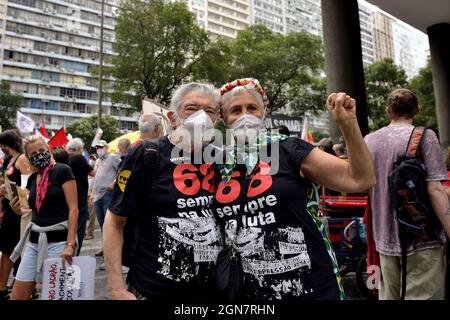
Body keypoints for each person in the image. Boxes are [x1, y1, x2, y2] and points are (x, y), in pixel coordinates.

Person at [214, 78, 376, 300]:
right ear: (224, 118)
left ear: (263, 113)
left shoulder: (290, 148)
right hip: (252, 294)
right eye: (235, 110)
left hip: (311, 289)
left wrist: (348, 124)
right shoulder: (218, 165)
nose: (245, 116)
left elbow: (361, 179)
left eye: (252, 108)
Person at [103, 82, 222, 300]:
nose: (201, 117)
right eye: (191, 109)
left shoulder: (220, 159)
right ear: (172, 116)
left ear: (216, 119)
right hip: (153, 288)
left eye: (210, 111)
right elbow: (114, 221)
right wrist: (117, 288)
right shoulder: (147, 153)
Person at [364, 88, 450, 300]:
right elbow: (435, 189)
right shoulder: (425, 136)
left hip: (384, 239)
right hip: (422, 238)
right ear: (417, 110)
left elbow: (362, 184)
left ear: (388, 111)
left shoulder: (369, 140)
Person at [8, 135, 78, 300]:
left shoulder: (62, 170)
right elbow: (32, 210)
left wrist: (69, 244)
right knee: (17, 296)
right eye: (34, 154)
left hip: (59, 242)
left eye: (41, 150)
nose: (39, 155)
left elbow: (74, 209)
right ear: (29, 158)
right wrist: (17, 210)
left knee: (53, 295)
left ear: (48, 150)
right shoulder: (33, 178)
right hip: (34, 242)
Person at [0, 129, 31, 300]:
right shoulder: (7, 160)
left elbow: (28, 185)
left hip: (18, 210)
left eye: (3, 144)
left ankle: (12, 286)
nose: (2, 148)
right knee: (8, 248)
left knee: (12, 249)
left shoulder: (22, 159)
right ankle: (8, 285)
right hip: (8, 208)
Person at [67, 138, 95, 254]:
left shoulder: (67, 158)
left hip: (69, 196)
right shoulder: (78, 158)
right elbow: (92, 172)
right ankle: (74, 254)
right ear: (78, 148)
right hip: (80, 197)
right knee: (79, 228)